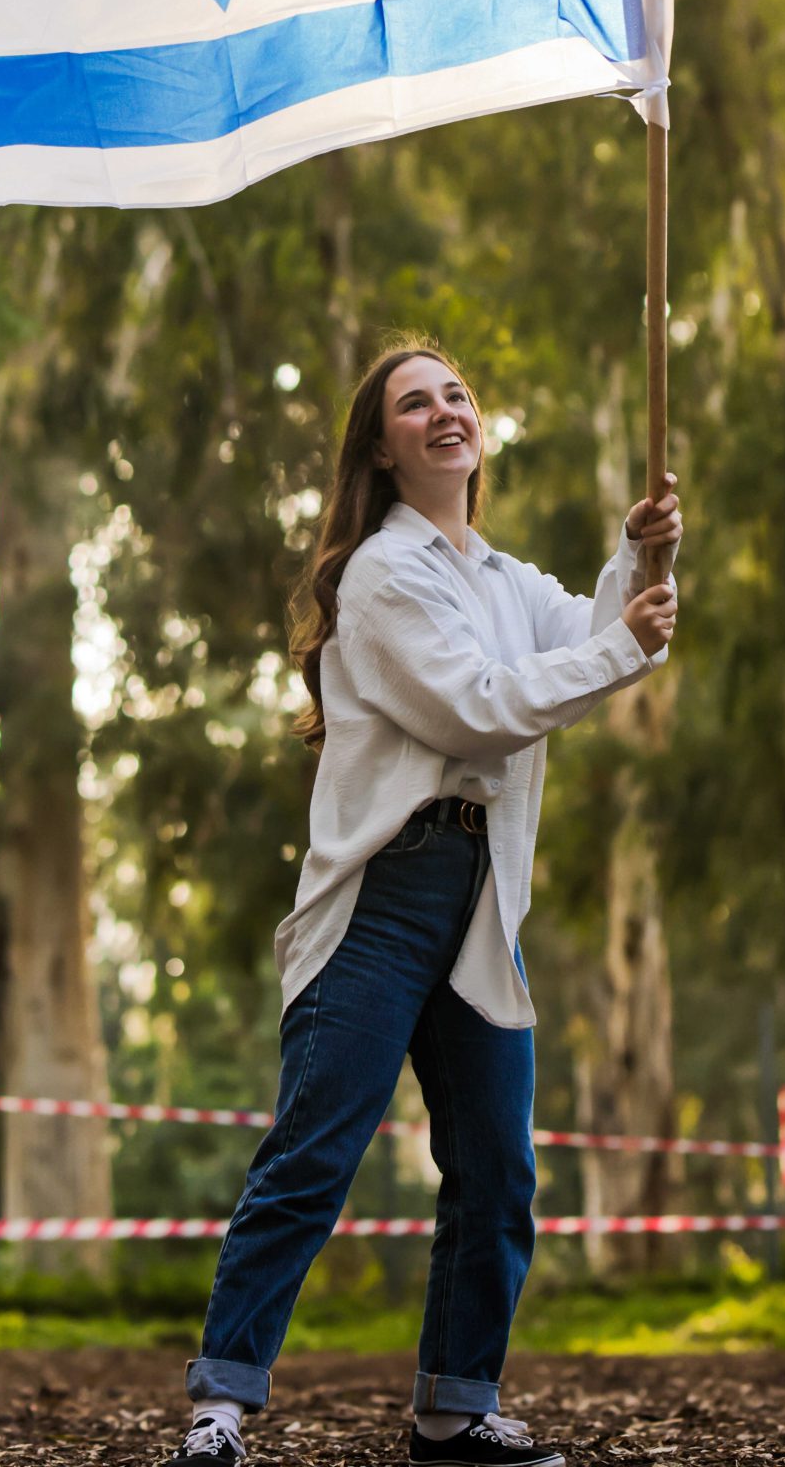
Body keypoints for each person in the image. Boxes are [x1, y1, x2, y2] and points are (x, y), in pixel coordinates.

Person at [168, 341, 682, 1467]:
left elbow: (598, 636)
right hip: (383, 896)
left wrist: (639, 554)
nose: (445, 411)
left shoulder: (503, 580)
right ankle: (221, 1408)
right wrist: (622, 641)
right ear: (381, 449)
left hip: (481, 898)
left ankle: (454, 1409)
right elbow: (476, 708)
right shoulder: (381, 574)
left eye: (456, 395)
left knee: (498, 1169)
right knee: (314, 1153)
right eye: (415, 403)